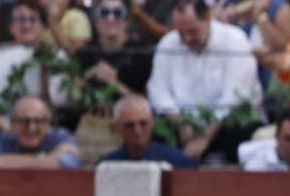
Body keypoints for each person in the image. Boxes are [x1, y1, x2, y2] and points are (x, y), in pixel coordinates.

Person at [146, 0, 264, 162]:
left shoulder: (235, 41)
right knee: (152, 133)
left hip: (225, 125)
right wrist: (181, 122)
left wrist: (205, 137)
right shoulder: (168, 44)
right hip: (182, 125)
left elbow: (234, 98)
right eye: (181, 33)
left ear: (208, 17)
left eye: (193, 31)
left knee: (243, 130)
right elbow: (159, 93)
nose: (187, 39)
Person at [0, 0, 71, 127]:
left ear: (43, 25)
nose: (26, 25)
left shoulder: (56, 56)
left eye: (32, 19)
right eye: (20, 20)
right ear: (11, 27)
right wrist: (3, 124)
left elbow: (58, 103)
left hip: (43, 127)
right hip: (3, 127)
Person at [76, 0, 154, 100]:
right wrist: (89, 76)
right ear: (95, 20)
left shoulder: (141, 54)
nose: (110, 19)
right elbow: (73, 100)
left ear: (127, 21)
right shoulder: (85, 52)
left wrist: (113, 83)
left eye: (118, 13)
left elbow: (146, 105)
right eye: (104, 13)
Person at [0, 94, 82, 167]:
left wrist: (10, 162)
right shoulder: (3, 140)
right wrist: (49, 160)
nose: (32, 128)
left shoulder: (61, 137)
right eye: (24, 121)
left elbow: (69, 163)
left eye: (38, 121)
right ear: (12, 124)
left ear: (48, 124)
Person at [98, 92, 196, 164]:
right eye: (130, 125)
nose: (137, 131)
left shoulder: (177, 162)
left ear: (152, 123)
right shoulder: (108, 165)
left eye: (143, 124)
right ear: (118, 128)